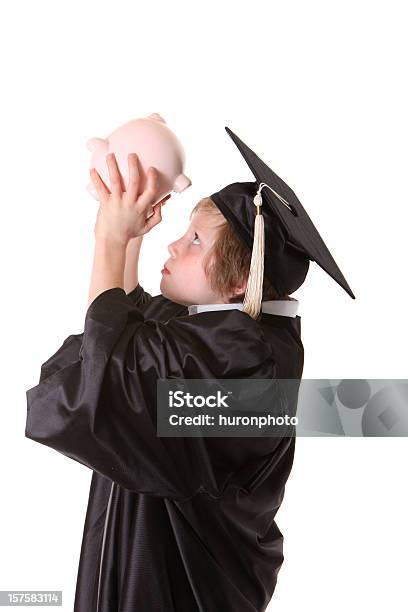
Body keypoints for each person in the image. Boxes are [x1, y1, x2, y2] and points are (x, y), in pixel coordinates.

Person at [25, 127, 354, 612]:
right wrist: (131, 237)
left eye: (196, 240)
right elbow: (124, 334)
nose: (174, 247)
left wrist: (110, 240)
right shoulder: (223, 334)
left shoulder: (246, 362)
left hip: (178, 589)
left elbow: (107, 383)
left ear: (242, 281)